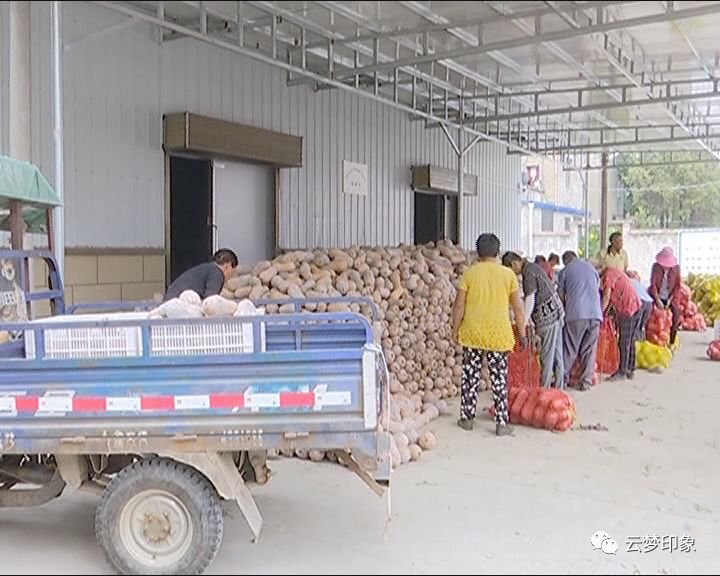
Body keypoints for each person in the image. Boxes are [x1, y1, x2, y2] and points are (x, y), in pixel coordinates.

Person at [452, 233, 526, 436]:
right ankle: (502, 423)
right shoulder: (508, 275)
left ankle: (467, 419)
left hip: (473, 333)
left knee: (470, 376)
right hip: (498, 334)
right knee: (499, 378)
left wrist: (454, 329)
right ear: (497, 252)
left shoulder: (469, 273)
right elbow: (518, 309)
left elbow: (459, 305)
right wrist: (522, 332)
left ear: (478, 252)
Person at [501, 251, 565, 389]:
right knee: (557, 355)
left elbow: (530, 299)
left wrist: (522, 324)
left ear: (514, 264)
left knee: (546, 357)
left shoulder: (528, 272)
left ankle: (545, 391)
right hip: (557, 312)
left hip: (548, 317)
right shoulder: (533, 267)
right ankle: (560, 389)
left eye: (511, 270)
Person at [557, 251, 603, 391]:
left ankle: (562, 380)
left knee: (570, 348)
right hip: (595, 314)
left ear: (566, 261)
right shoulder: (591, 268)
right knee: (590, 350)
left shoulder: (565, 271)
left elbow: (561, 295)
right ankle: (586, 382)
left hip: (576, 314)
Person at [601, 268, 642, 381]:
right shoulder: (616, 271)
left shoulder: (608, 276)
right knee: (630, 340)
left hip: (628, 309)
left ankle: (622, 372)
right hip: (637, 306)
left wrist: (600, 313)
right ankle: (630, 369)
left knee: (624, 341)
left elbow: (606, 297)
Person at [165, 249, 238, 301]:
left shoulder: (207, 269)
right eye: (232, 272)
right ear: (227, 265)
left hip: (171, 299)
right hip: (177, 304)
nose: (230, 276)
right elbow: (210, 301)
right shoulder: (216, 273)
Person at [648, 246, 682, 347]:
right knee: (651, 317)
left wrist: (670, 300)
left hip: (671, 297)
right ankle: (651, 340)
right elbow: (653, 284)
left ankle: (671, 341)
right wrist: (657, 299)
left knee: (676, 316)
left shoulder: (676, 269)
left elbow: (677, 285)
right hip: (656, 295)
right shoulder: (655, 267)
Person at [628, 272, 653, 342]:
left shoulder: (628, 281)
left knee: (634, 326)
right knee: (641, 326)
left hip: (639, 301)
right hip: (649, 302)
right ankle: (641, 342)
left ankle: (636, 345)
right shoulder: (639, 283)